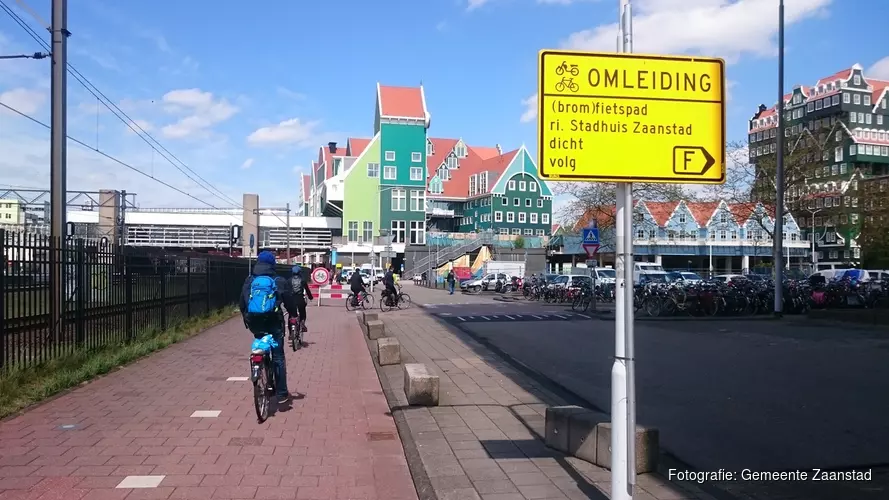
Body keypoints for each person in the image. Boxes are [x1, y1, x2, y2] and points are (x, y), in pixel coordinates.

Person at [240, 251, 299, 405]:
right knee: (278, 356)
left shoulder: (250, 280)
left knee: (260, 345)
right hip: (274, 322)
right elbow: (289, 301)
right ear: (272, 264)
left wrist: (247, 318)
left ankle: (258, 367)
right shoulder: (278, 280)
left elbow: (242, 302)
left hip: (255, 323)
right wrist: (293, 315)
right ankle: (281, 393)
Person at [289, 265, 313, 333]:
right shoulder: (302, 280)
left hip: (291, 300)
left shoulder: (289, 280)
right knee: (302, 312)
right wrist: (310, 297)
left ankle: (291, 333)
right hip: (300, 299)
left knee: (291, 315)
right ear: (300, 272)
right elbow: (307, 290)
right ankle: (302, 323)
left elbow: (286, 291)